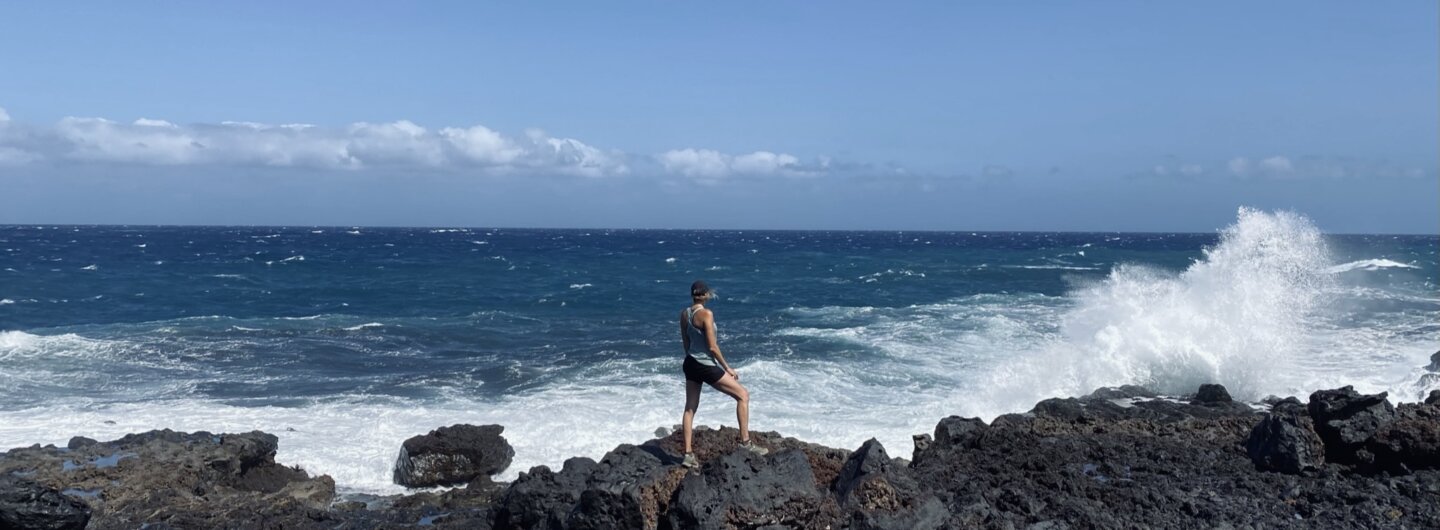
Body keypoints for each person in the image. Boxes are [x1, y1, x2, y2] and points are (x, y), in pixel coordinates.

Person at [679, 279, 768, 469]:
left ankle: (687, 454)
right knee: (742, 395)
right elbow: (712, 346)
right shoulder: (706, 314)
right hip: (705, 365)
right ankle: (745, 443)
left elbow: (686, 343)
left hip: (690, 363)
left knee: (689, 408)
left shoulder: (684, 314)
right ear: (705, 295)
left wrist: (692, 359)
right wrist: (727, 368)